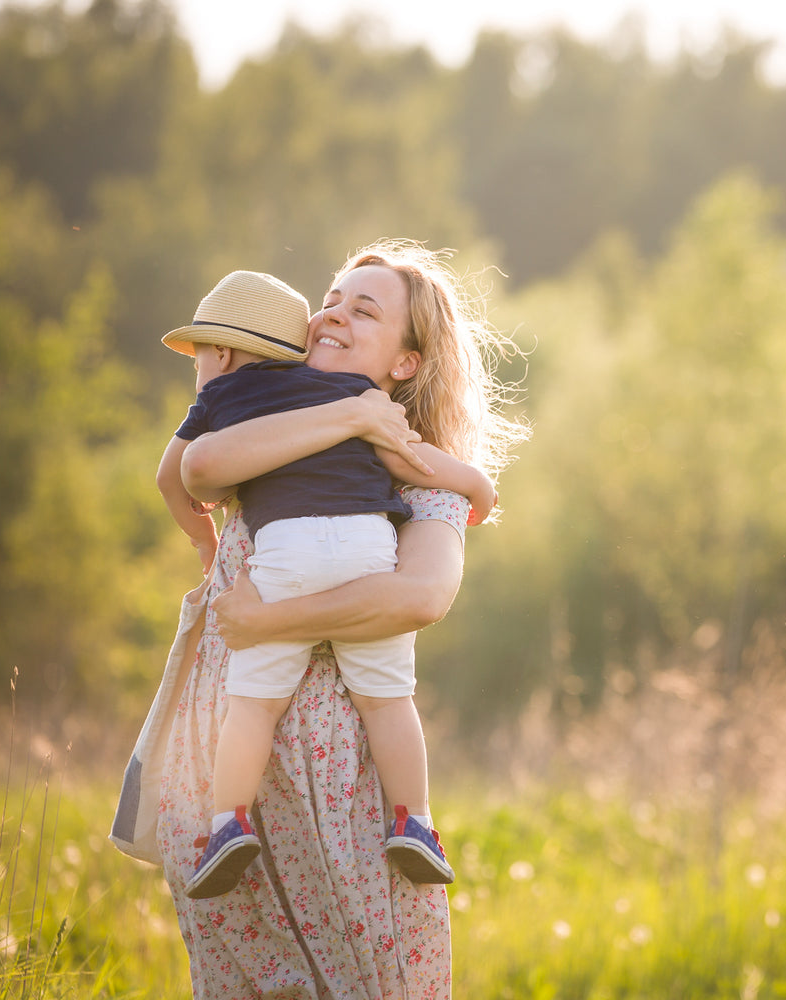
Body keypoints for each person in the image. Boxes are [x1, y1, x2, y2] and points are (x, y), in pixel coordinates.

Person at [145, 240, 522, 997]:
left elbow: (418, 597)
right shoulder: (266, 425)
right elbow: (192, 471)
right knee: (236, 972)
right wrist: (345, 412)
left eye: (365, 309)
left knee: (357, 974)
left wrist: (270, 621)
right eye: (334, 298)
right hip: (231, 761)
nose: (332, 315)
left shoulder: (412, 469)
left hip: (337, 773)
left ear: (406, 363)